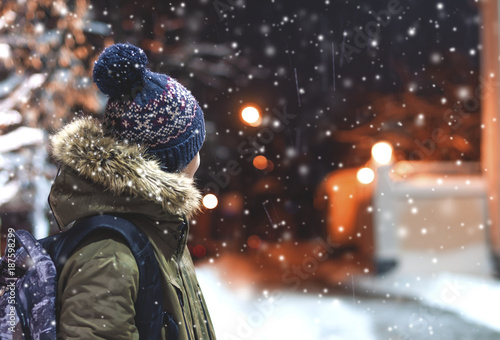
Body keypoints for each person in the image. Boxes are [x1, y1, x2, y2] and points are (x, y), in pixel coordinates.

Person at [48, 43, 216, 339]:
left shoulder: (159, 226)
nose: (200, 157)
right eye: (196, 147)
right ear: (174, 161)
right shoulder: (108, 258)